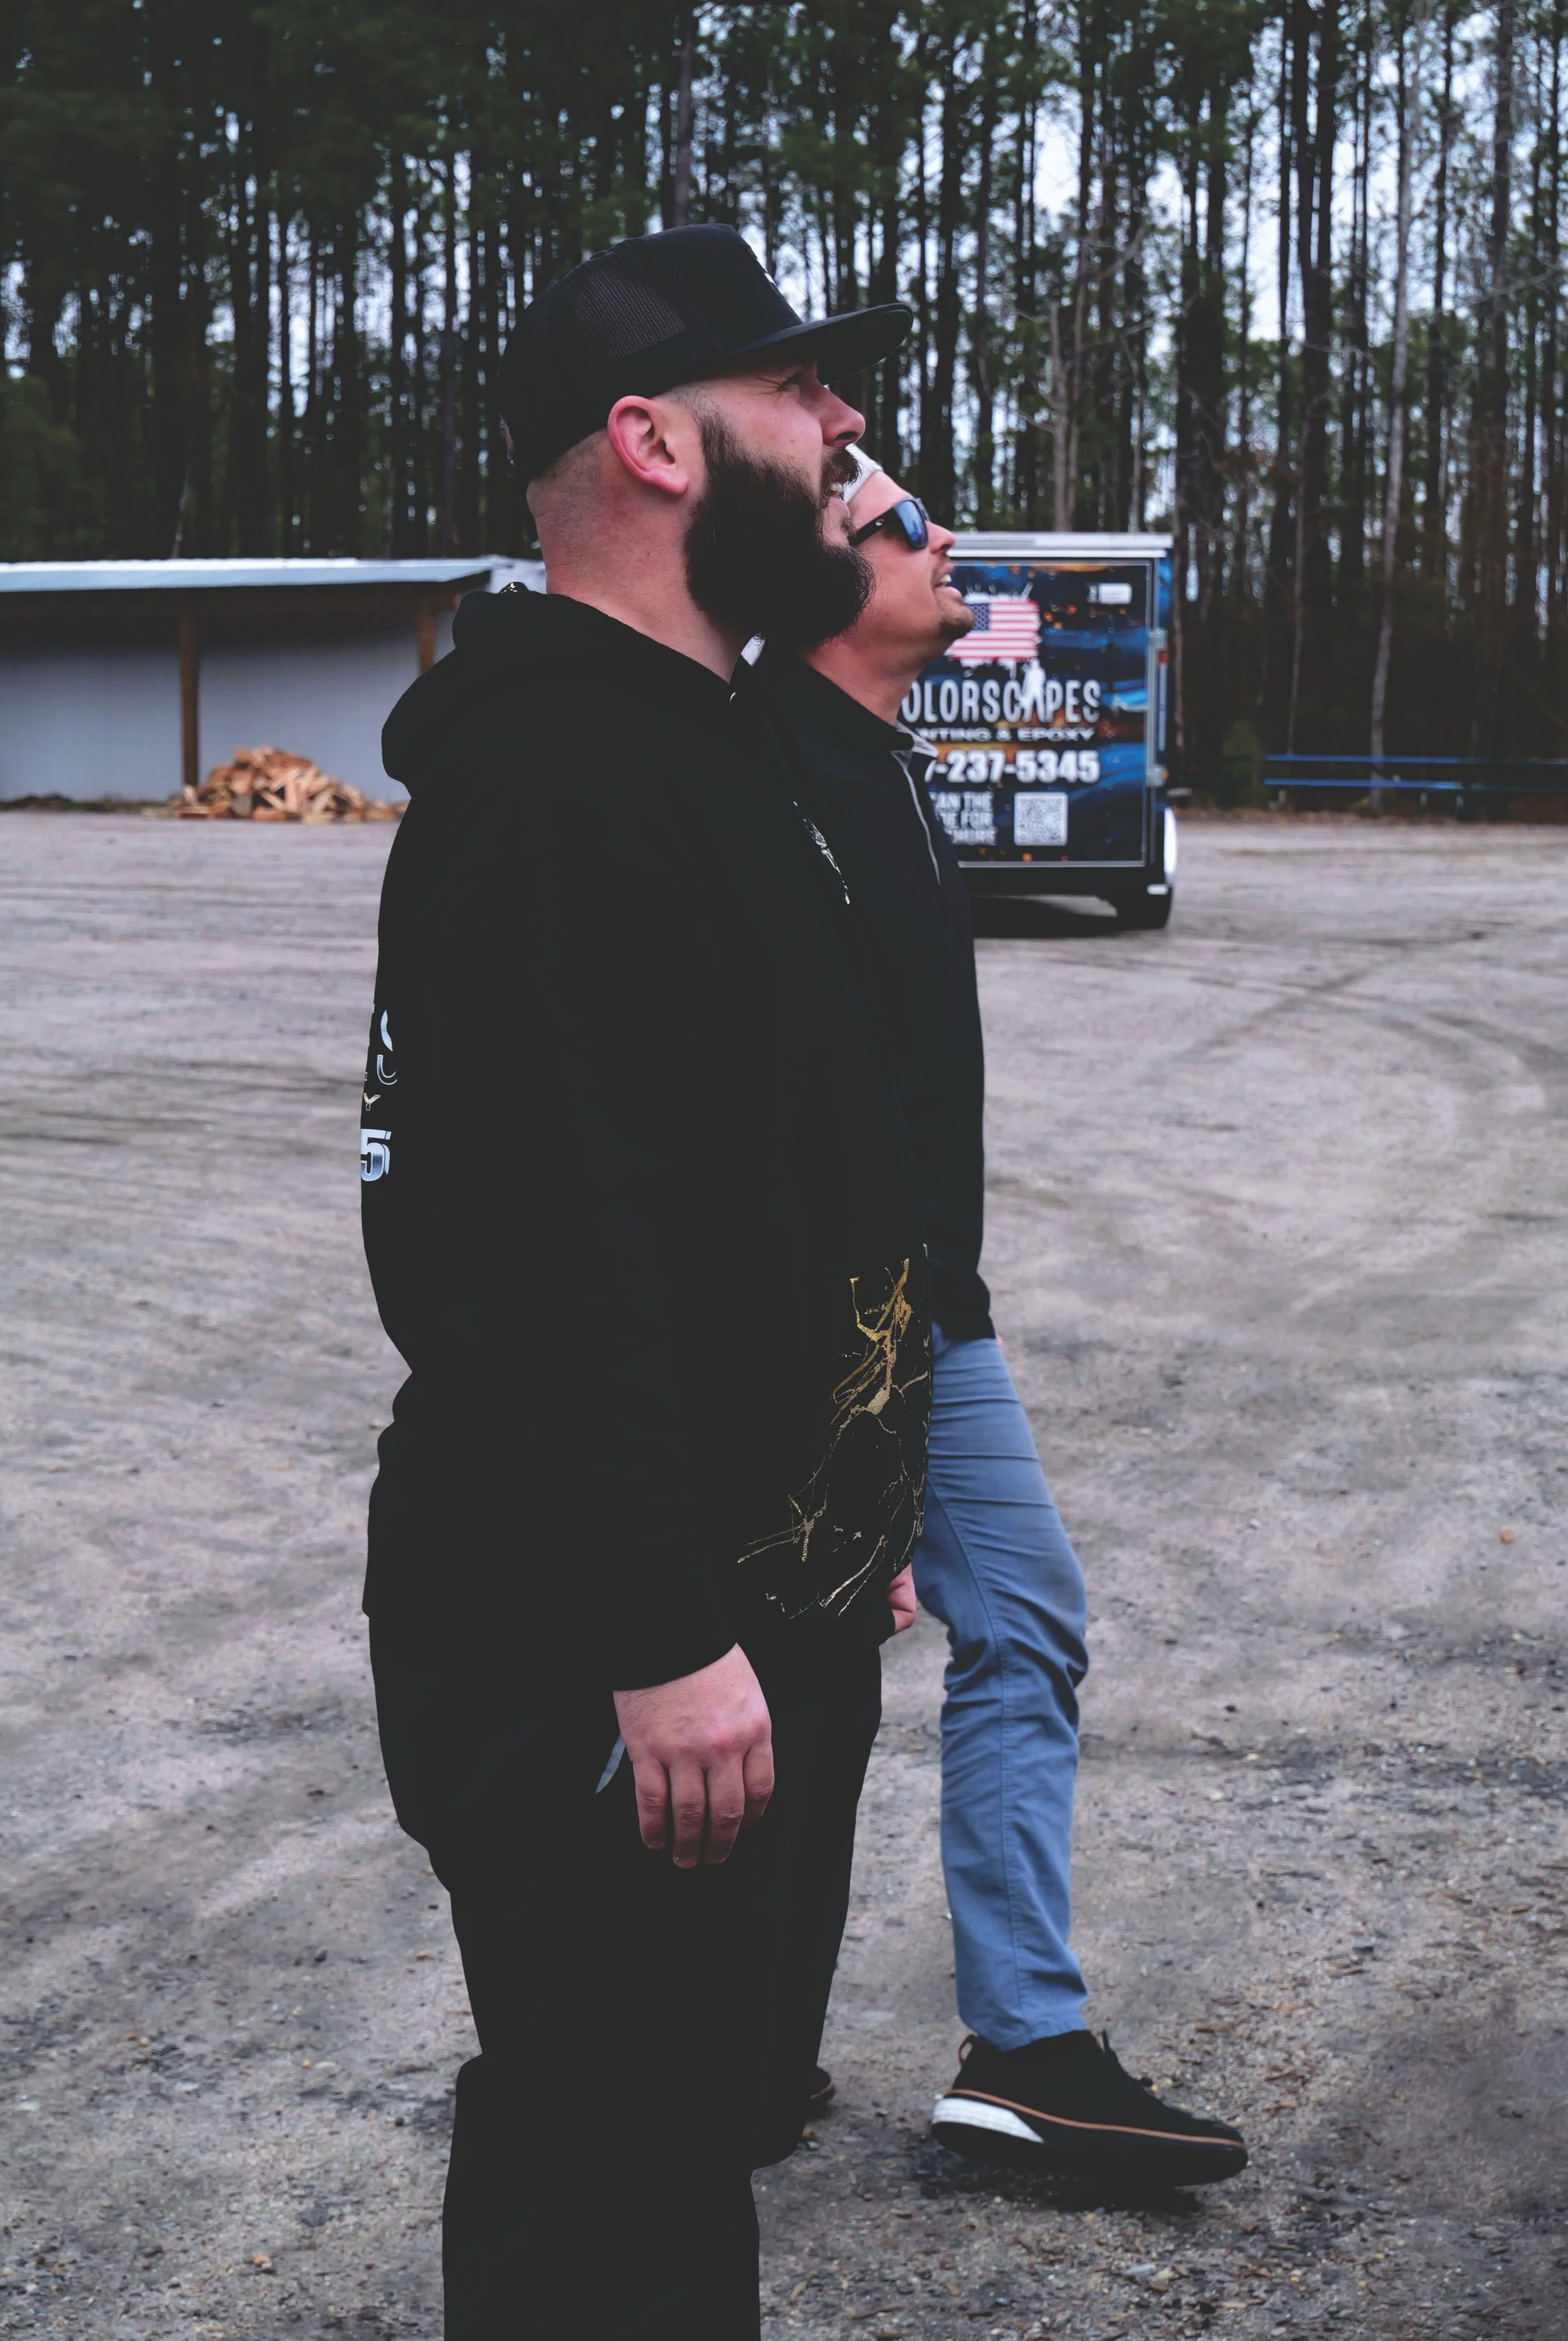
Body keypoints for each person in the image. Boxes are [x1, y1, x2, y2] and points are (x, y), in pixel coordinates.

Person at [359, 228, 931, 2339]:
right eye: (793, 389)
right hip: (596, 1643)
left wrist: (841, 1507)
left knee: (687, 2132)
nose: (843, 424)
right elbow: (533, 1252)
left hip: (741, 1597)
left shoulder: (705, 736)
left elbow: (753, 1173)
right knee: (606, 2169)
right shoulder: (555, 781)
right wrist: (663, 1631)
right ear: (652, 443)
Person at [756, 449, 1248, 2188]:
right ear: (814, 578)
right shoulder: (764, 780)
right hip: (823, 1323)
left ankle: (1021, 2048)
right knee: (769, 1675)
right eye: (896, 520)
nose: (941, 534)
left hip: (924, 1314)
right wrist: (849, 1412)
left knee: (1019, 1618)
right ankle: (710, 2049)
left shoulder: (884, 764)